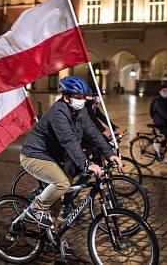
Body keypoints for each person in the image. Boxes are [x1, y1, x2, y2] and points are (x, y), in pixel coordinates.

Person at [20, 76, 123, 228]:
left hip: (56, 157)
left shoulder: (80, 112)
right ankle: (36, 208)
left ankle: (53, 238)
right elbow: (69, 141)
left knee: (57, 202)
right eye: (77, 97)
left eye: (83, 97)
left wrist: (110, 154)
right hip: (34, 155)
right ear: (66, 97)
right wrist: (86, 164)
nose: (81, 100)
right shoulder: (58, 112)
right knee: (62, 183)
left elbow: (93, 132)